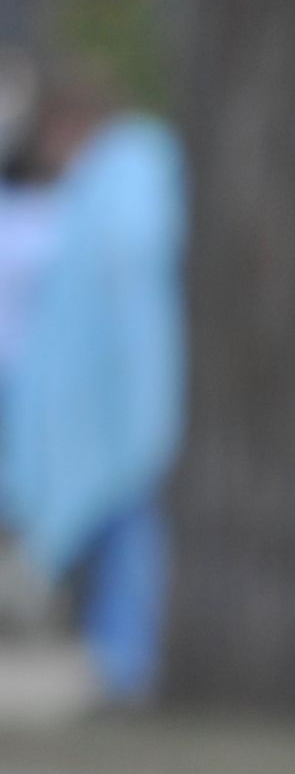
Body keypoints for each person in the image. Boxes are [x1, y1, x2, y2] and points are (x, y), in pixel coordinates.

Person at [0, 62, 186, 706]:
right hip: (110, 397)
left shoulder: (131, 170)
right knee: (122, 536)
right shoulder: (115, 176)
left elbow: (125, 267)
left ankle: (126, 664)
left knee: (131, 537)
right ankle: (118, 659)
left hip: (122, 395)